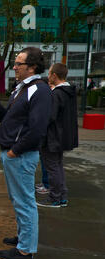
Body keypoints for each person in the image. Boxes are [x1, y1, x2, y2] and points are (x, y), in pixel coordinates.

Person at [0, 47, 52, 259]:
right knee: (18, 199)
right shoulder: (21, 89)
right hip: (15, 154)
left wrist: (14, 151)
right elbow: (10, 121)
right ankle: (24, 238)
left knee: (24, 202)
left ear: (31, 67)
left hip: (20, 156)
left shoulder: (38, 90)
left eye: (18, 64)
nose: (14, 67)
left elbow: (37, 129)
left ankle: (25, 250)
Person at [37, 63, 78, 208]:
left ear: (54, 75)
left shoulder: (56, 94)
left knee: (52, 168)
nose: (48, 77)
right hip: (63, 137)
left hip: (53, 138)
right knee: (58, 166)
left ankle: (54, 198)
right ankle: (62, 196)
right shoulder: (69, 92)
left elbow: (50, 117)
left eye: (49, 74)